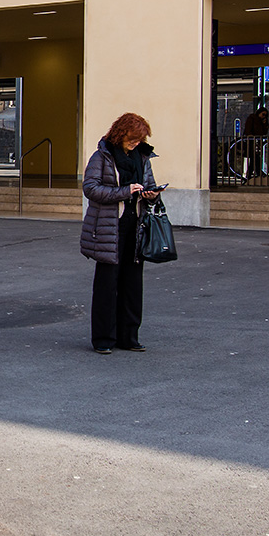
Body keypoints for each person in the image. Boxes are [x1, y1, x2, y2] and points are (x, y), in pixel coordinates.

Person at [81, 112, 160, 355]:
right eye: (133, 138)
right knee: (107, 284)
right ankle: (104, 338)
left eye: (140, 139)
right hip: (108, 227)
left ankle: (129, 336)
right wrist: (124, 191)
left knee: (133, 283)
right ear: (121, 133)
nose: (136, 143)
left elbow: (149, 183)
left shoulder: (143, 157)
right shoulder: (102, 156)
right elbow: (91, 188)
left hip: (136, 225)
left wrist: (151, 194)